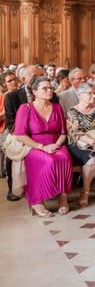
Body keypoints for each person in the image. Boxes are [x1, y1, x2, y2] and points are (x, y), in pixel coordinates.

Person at [13, 77, 72, 217]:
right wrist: (42, 147)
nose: (49, 90)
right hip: (33, 146)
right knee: (49, 161)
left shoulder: (57, 107)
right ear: (35, 92)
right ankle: (37, 200)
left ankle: (63, 198)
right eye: (44, 88)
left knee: (64, 157)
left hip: (55, 143)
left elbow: (63, 133)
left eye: (50, 88)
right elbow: (20, 135)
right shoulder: (25, 108)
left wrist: (57, 144)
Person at [4, 65, 46, 201]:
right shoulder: (12, 96)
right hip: (20, 134)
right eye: (34, 77)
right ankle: (14, 188)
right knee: (12, 152)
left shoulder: (49, 94)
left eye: (40, 76)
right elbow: (10, 123)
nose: (38, 79)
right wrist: (27, 133)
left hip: (43, 133)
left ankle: (49, 185)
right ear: (23, 79)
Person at [0, 70, 19, 178]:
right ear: (4, 84)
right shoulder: (3, 97)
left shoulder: (23, 94)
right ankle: (10, 175)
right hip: (6, 128)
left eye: (14, 79)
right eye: (9, 81)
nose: (13, 82)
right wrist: (5, 112)